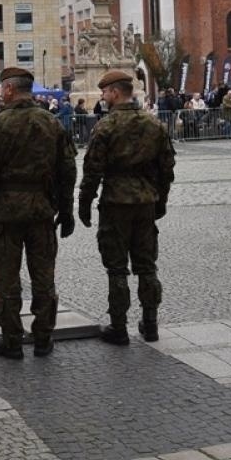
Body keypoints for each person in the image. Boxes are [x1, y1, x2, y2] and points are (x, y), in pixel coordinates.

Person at [0, 66, 77, 359]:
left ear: (8, 89)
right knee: (43, 276)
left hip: (6, 212)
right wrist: (66, 209)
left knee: (8, 278)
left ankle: (12, 340)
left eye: (2, 89)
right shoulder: (51, 123)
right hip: (41, 210)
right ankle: (43, 337)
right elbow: (67, 170)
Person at [78, 69, 176, 345]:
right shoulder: (154, 124)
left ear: (115, 92)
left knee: (117, 267)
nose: (103, 96)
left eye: (105, 92)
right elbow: (167, 169)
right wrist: (161, 201)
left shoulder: (106, 127)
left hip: (116, 202)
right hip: (145, 201)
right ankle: (150, 323)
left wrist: (84, 203)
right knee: (147, 265)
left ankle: (118, 327)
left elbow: (92, 170)